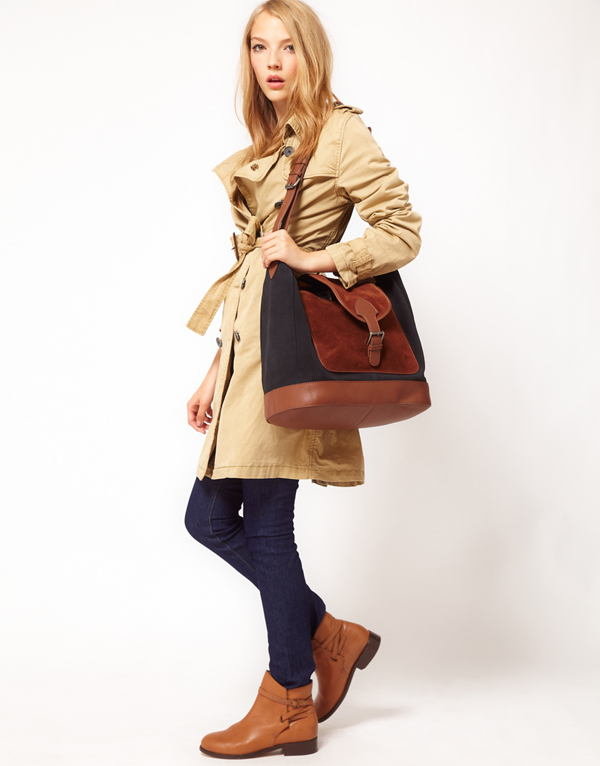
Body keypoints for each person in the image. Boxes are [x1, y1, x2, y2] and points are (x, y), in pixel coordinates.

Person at [183, 0, 422, 758]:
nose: (273, 63)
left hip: (292, 362)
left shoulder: (339, 132)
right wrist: (215, 370)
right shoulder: (273, 142)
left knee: (265, 525)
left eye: (287, 47)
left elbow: (401, 229)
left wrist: (318, 257)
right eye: (260, 48)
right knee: (208, 519)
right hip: (247, 362)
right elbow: (250, 272)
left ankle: (289, 698)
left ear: (311, 54)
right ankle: (328, 634)